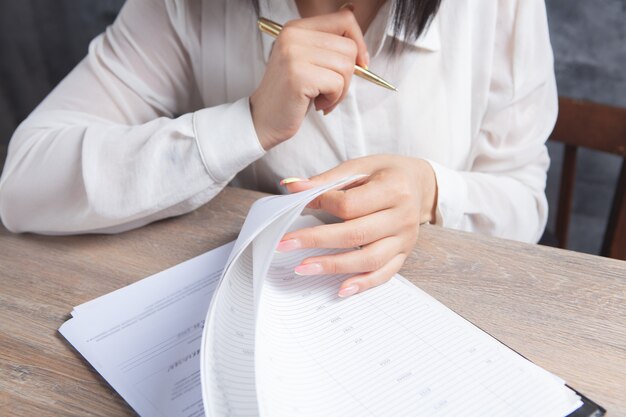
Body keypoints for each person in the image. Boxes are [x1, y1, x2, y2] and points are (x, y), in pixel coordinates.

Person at [0, 0, 557, 297]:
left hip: (444, 317)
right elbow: (25, 182)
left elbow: (524, 201)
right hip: (272, 309)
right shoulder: (182, 8)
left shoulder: (497, 7)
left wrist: (433, 192)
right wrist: (246, 123)